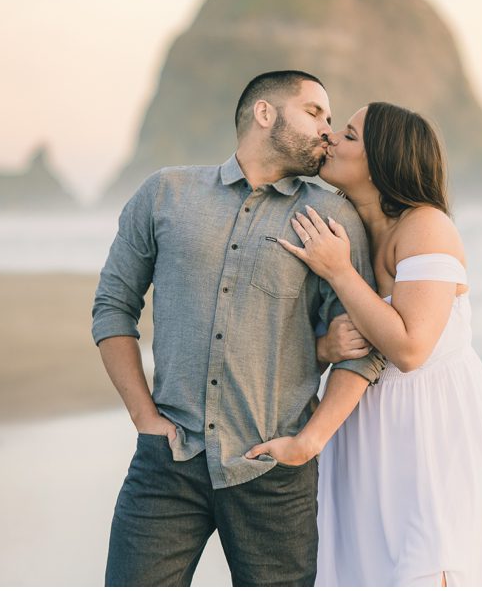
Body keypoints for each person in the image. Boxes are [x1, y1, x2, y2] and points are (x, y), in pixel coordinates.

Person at [91, 70, 386, 586]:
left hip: (274, 472)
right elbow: (113, 306)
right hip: (169, 460)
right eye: (315, 113)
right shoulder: (166, 195)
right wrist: (144, 418)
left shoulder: (330, 214)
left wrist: (309, 443)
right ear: (264, 113)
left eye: (333, 121)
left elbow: (364, 346)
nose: (327, 130)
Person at [248, 102, 482, 586]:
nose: (331, 137)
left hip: (433, 435)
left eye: (349, 135)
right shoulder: (348, 227)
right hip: (364, 433)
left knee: (427, 568)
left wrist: (337, 270)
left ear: (384, 160)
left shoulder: (426, 226)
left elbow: (410, 349)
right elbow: (313, 335)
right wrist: (325, 347)